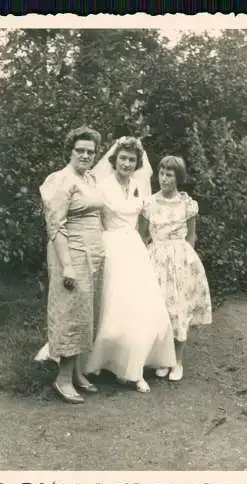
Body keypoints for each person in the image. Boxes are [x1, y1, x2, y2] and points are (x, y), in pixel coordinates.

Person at [84, 137, 177, 393]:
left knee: (142, 305)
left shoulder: (140, 186)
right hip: (110, 246)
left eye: (132, 160)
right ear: (114, 160)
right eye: (123, 158)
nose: (127, 163)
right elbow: (93, 221)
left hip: (134, 248)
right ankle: (103, 361)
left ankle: (134, 366)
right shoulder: (101, 186)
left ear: (137, 164)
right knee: (112, 305)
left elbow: (151, 216)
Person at [35, 125, 105, 403]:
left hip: (91, 255)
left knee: (85, 313)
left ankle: (76, 373)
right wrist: (66, 265)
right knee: (70, 314)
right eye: (80, 150)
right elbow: (56, 227)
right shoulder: (60, 180)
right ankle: (62, 379)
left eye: (90, 151)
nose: (86, 155)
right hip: (71, 254)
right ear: (70, 151)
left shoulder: (89, 179)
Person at [139, 155, 212, 381]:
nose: (164, 178)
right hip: (155, 259)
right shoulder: (149, 203)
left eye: (169, 174)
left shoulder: (187, 204)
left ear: (177, 177)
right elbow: (142, 236)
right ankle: (163, 358)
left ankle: (177, 361)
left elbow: (191, 236)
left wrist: (185, 261)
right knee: (160, 310)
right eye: (161, 173)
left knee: (179, 309)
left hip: (180, 260)